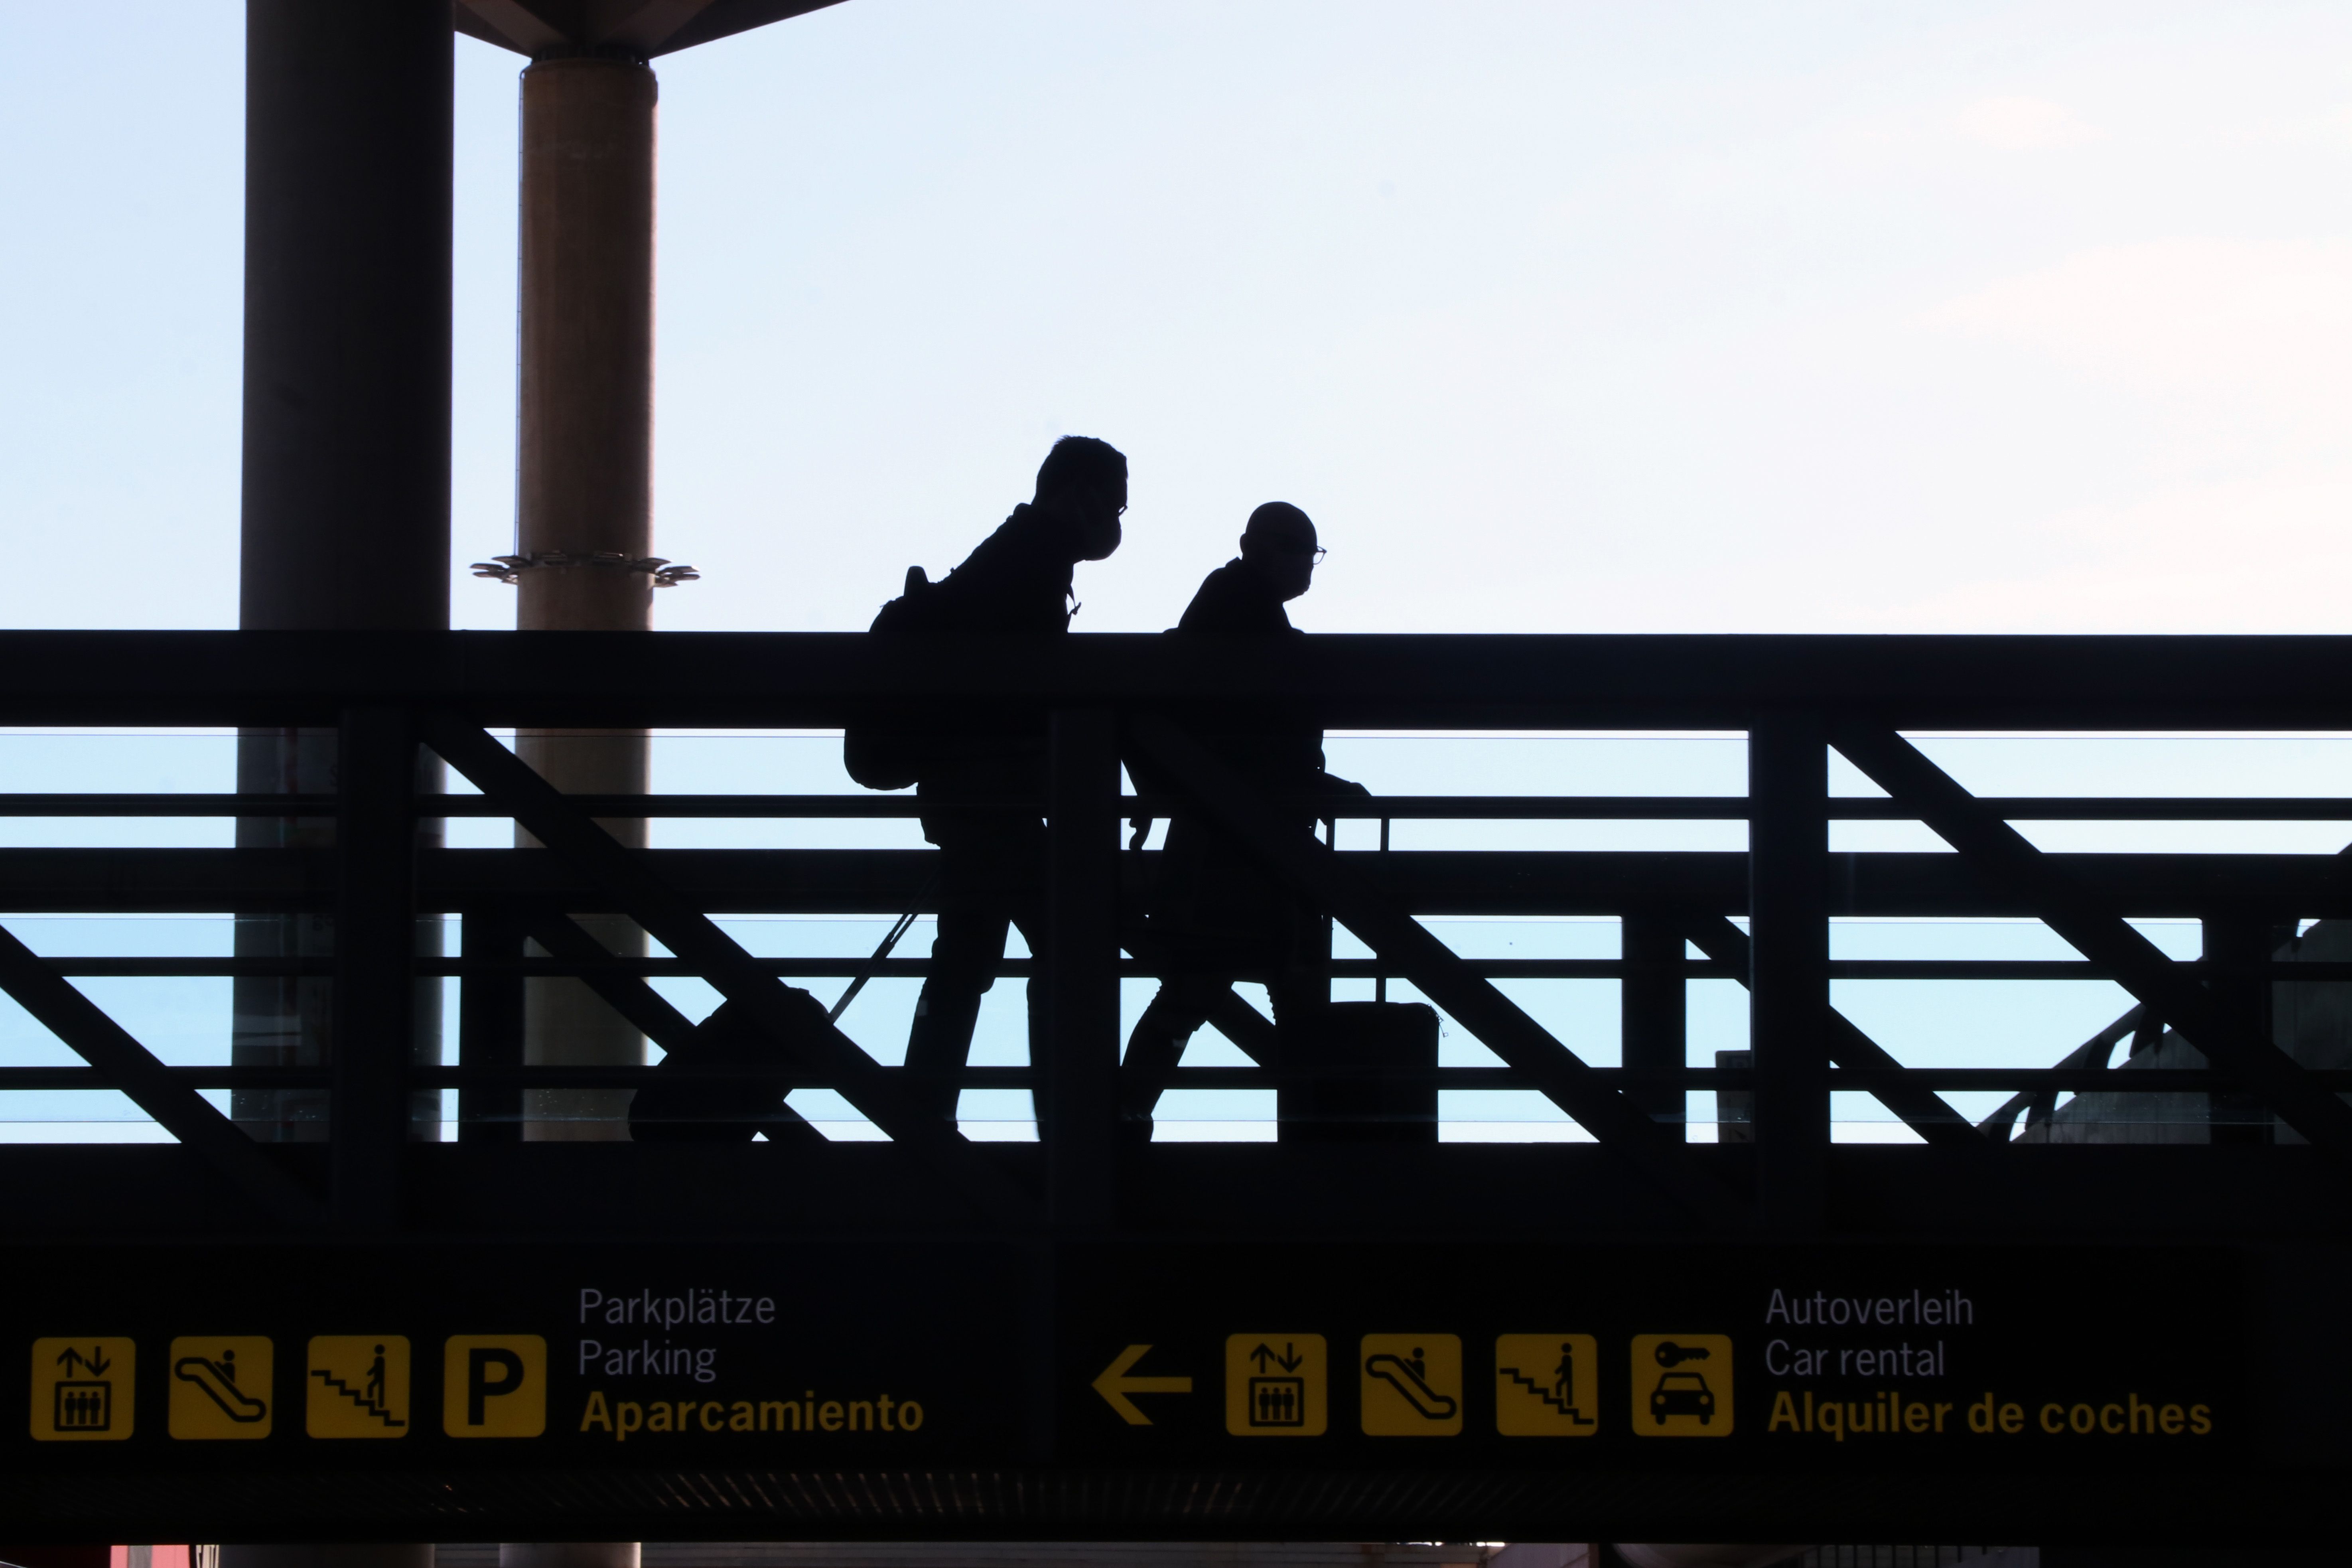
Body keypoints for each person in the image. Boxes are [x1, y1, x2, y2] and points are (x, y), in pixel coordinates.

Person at [899, 436, 1130, 1121]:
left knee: (968, 954)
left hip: (972, 797)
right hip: (991, 798)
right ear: (1081, 496)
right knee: (1064, 945)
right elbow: (1026, 694)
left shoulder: (1015, 551)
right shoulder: (1032, 565)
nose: (1116, 520)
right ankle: (1064, 1126)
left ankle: (928, 1115)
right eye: (1114, 503)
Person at [1122, 502, 1363, 1138]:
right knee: (1265, 996)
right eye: (1294, 549)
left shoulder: (1229, 609)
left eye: (1306, 551)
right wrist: (1314, 787)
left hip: (1232, 843)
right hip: (1241, 849)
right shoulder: (1246, 618)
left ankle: (1122, 1119)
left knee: (1195, 995)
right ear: (1256, 547)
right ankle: (1315, 1145)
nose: (1302, 564)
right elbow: (1256, 747)